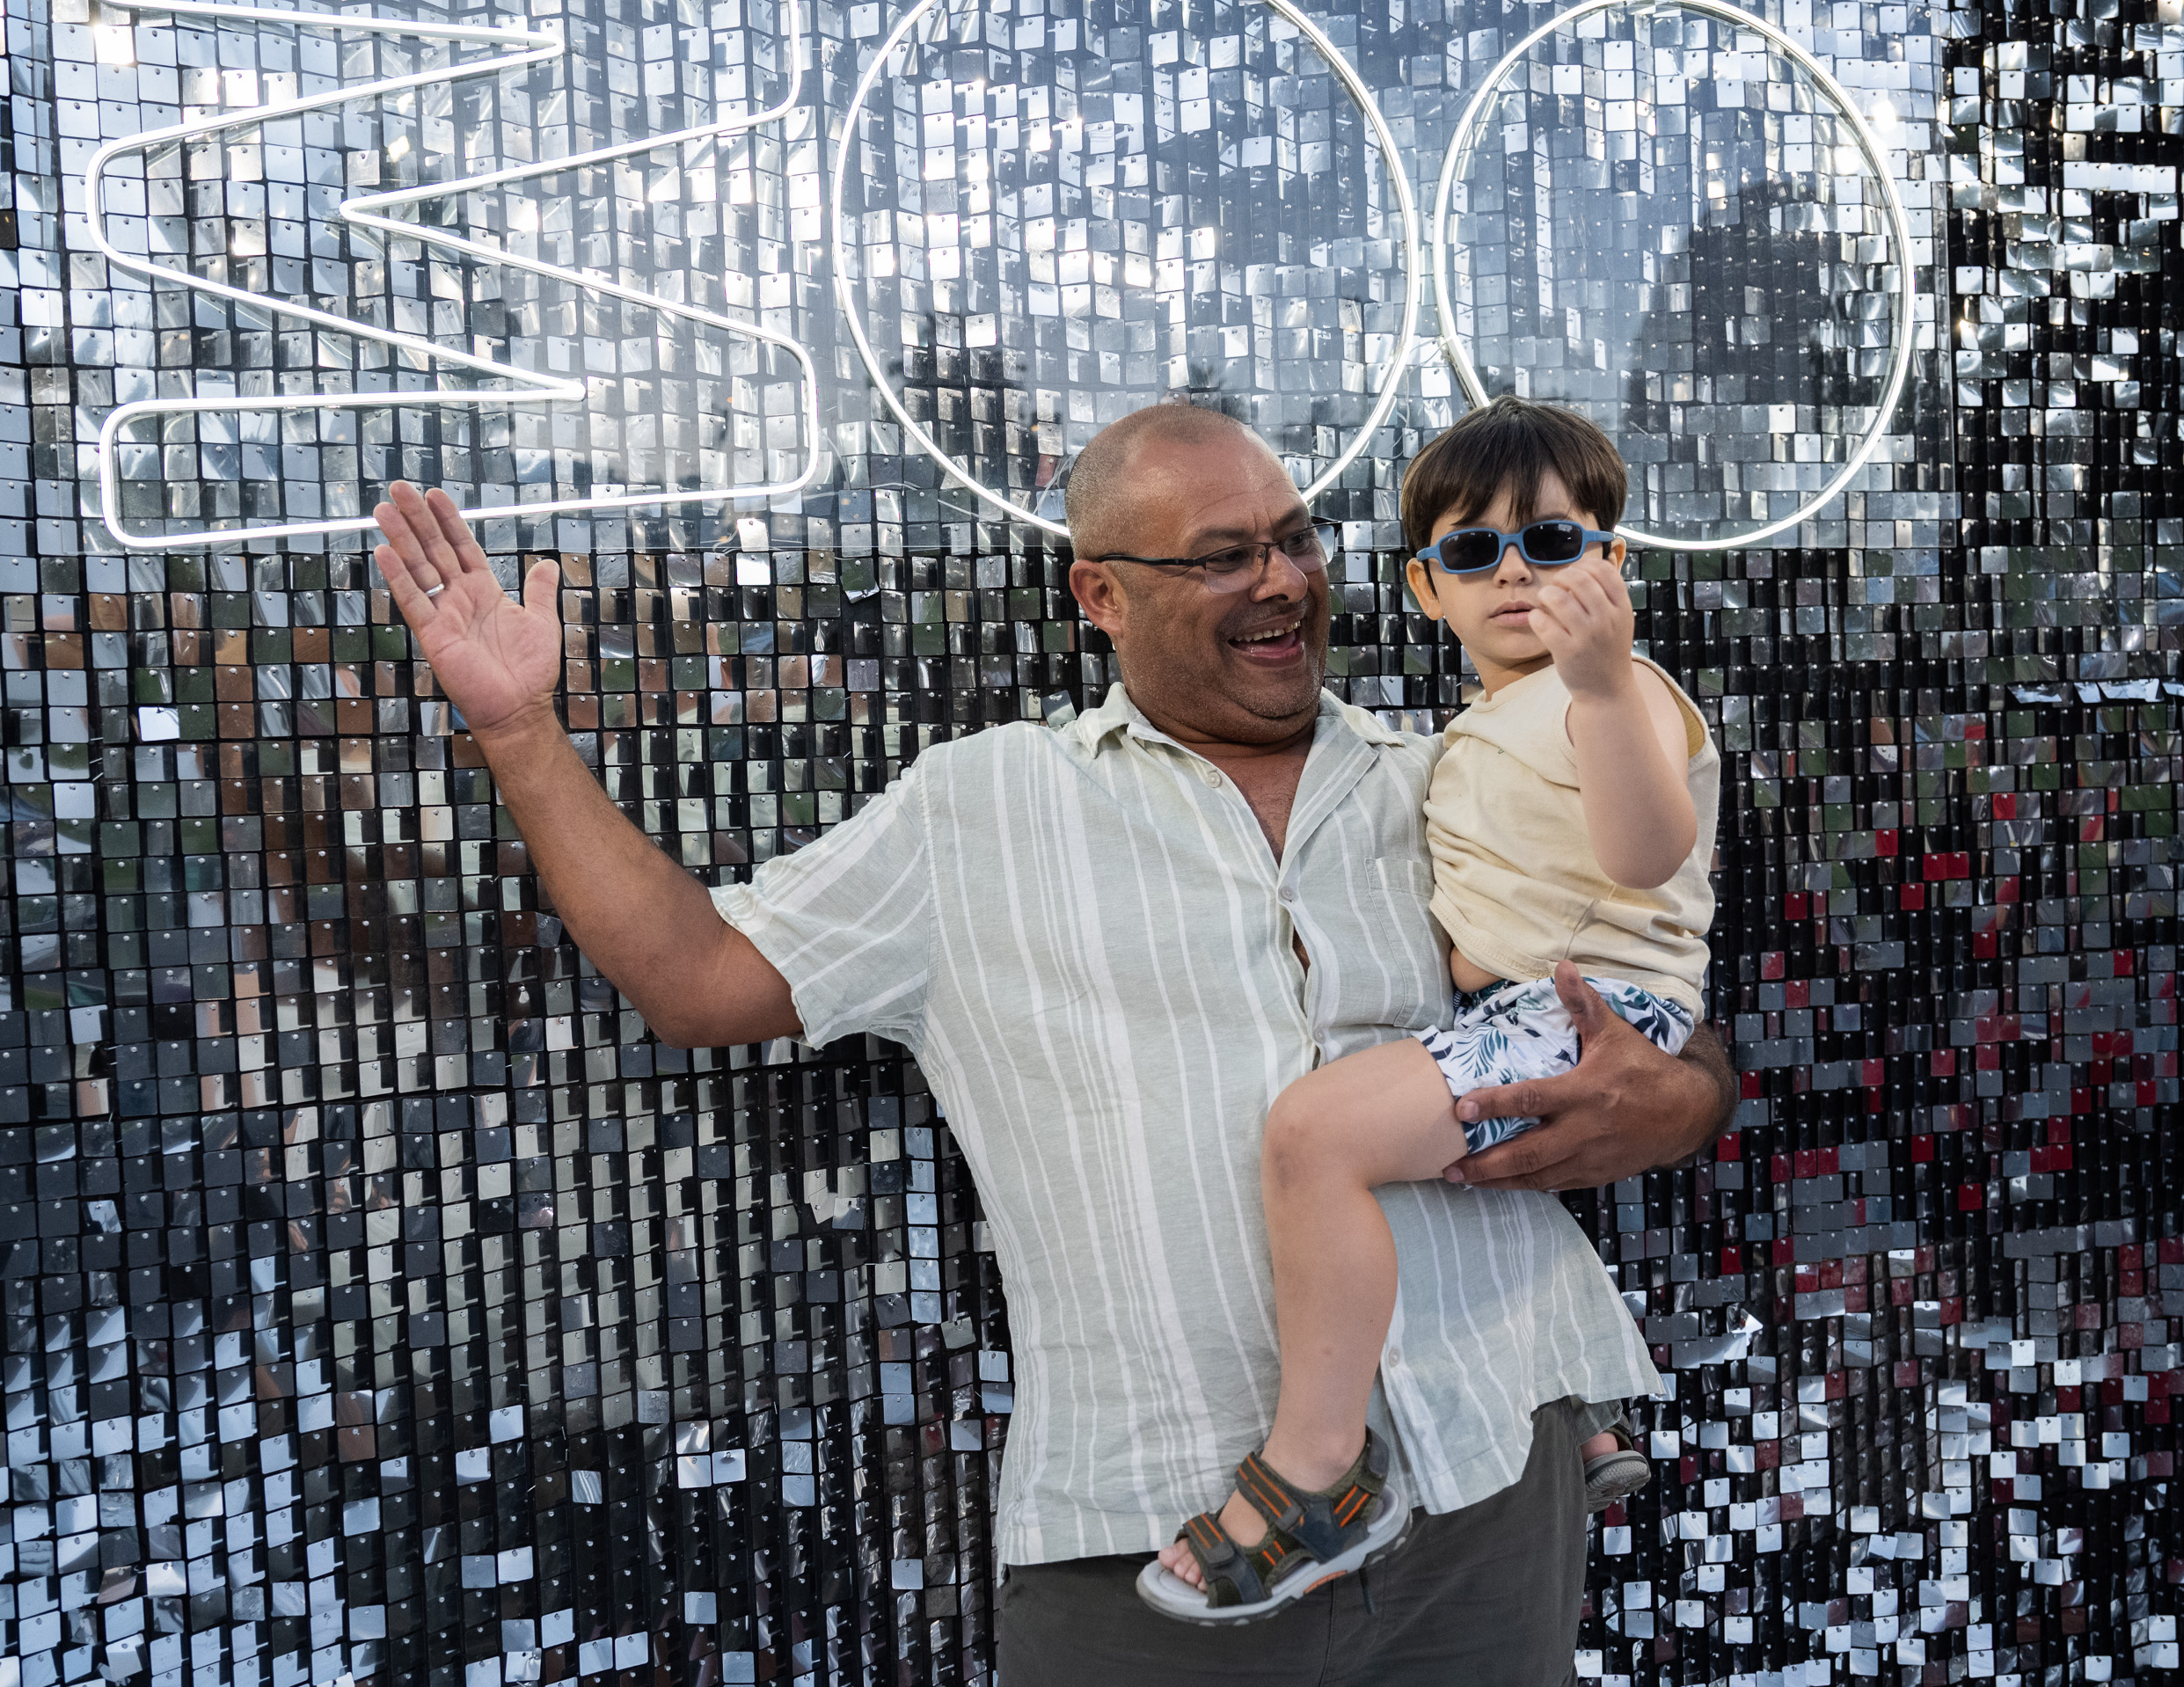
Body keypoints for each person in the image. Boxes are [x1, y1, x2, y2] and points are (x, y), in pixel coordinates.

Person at [367, 399, 1735, 1687]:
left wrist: (1679, 1101)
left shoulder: (1442, 774)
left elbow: (1638, 974)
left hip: (1489, 1498)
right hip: (1150, 1530)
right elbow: (701, 981)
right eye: (1221, 557)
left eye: (1293, 540)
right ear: (1101, 595)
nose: (1280, 583)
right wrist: (518, 729)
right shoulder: (984, 808)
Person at [1137, 399, 1718, 1625]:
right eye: (1474, 552)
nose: (1515, 570)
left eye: (1555, 544)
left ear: (1613, 565)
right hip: (1540, 1002)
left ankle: (1314, 1474)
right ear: (1423, 590)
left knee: (1317, 1138)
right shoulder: (1488, 722)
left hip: (1589, 1010)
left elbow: (1650, 846)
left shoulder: (1607, 696)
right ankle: (1580, 1398)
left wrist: (1609, 690)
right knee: (1420, 1165)